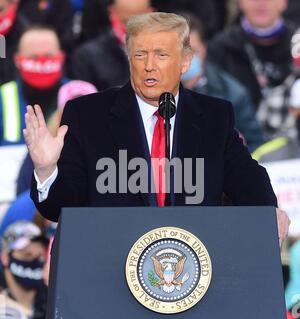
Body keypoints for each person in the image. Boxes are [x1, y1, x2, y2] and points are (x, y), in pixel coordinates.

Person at [23, 12, 290, 245]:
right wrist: (47, 170)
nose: (149, 65)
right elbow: (59, 207)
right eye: (140, 54)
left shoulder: (214, 116)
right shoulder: (87, 115)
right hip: (109, 266)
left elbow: (247, 179)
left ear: (185, 62)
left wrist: (268, 212)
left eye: (161, 55)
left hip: (194, 270)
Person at [208, 0, 297, 138]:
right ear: (240, 2)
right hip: (241, 145)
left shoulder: (297, 44)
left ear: (284, 2)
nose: (261, 3)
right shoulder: (220, 48)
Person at [181, 14, 265, 152]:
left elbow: (255, 145)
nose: (186, 59)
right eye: (179, 52)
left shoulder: (233, 94)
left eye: (193, 51)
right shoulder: (148, 90)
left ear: (205, 49)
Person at [0, 25, 66, 146]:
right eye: (33, 57)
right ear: (16, 60)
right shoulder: (2, 96)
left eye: (48, 56)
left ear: (62, 57)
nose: (41, 61)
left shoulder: (79, 94)